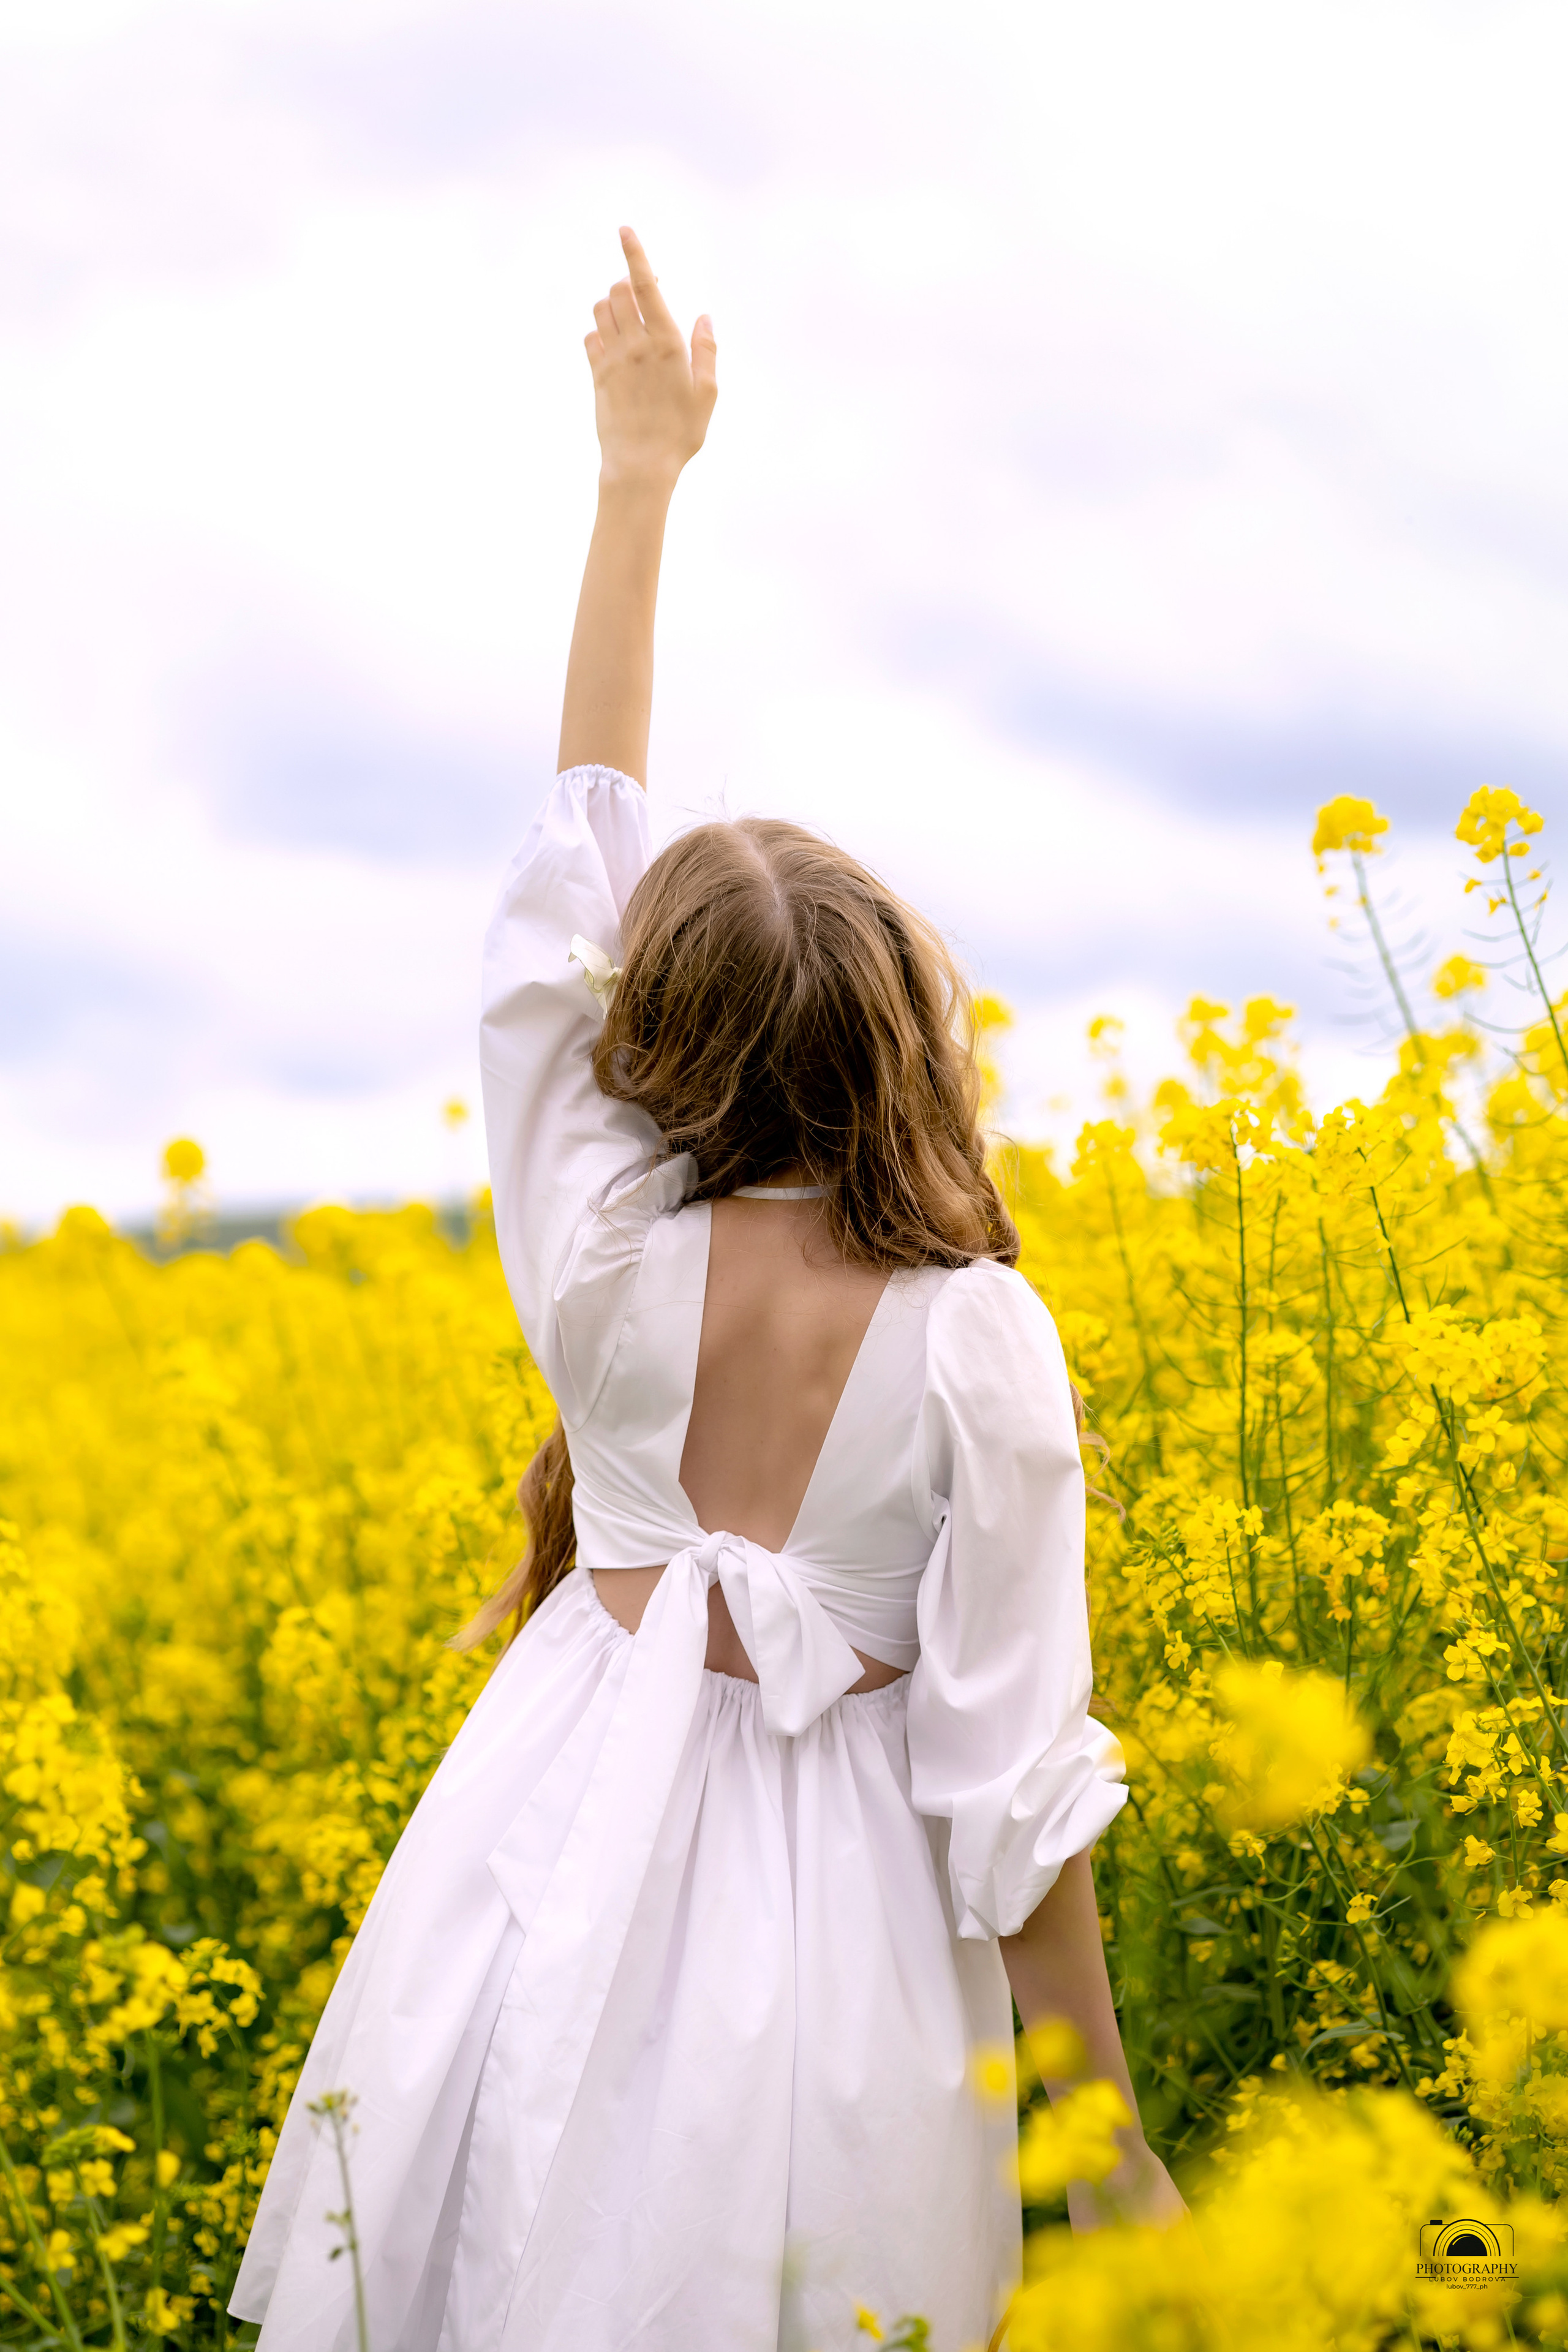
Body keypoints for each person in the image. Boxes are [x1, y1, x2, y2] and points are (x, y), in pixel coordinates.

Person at [231, 227, 1180, 2352]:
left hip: (542, 1830)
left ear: (645, 1039)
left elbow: (576, 842)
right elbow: (1016, 1794)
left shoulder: (590, 1252)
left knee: (491, 2248)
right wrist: (1100, 2139)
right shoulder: (980, 1349)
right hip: (837, 1930)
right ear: (907, 1039)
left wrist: (633, 482)